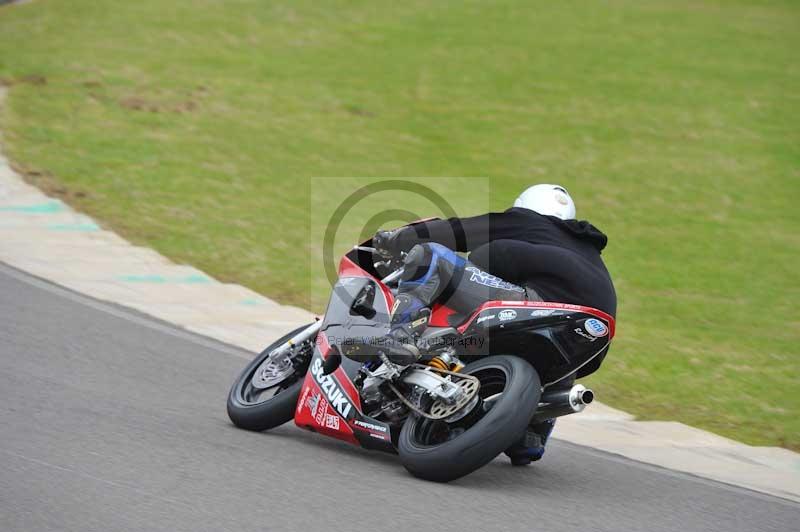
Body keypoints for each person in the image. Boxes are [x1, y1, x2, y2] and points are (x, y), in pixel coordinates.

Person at [373, 183, 617, 464]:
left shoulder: (528, 221)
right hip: (592, 337)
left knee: (431, 256)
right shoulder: (589, 253)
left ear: (523, 206)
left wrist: (397, 239)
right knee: (552, 359)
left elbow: (461, 231)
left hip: (542, 305)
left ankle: (400, 337)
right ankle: (529, 436)